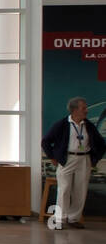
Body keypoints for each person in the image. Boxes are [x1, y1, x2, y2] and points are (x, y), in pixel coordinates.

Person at [41, 97, 106, 229]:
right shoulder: (62, 124)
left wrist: (95, 159)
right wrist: (53, 157)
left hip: (84, 159)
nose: (86, 111)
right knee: (64, 189)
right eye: (84, 108)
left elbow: (101, 144)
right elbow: (46, 141)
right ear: (74, 110)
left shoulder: (89, 125)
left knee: (80, 190)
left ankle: (74, 218)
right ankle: (60, 219)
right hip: (67, 159)